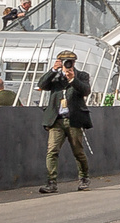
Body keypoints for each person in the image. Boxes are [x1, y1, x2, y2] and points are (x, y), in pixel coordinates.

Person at [36, 50, 91, 192]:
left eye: (70, 62)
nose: (68, 65)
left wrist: (73, 79)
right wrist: (53, 70)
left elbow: (86, 91)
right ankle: (51, 182)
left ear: (74, 63)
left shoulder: (82, 75)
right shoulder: (55, 78)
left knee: (78, 151)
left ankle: (84, 177)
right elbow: (41, 84)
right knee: (52, 151)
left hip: (74, 120)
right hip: (57, 120)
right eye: (65, 62)